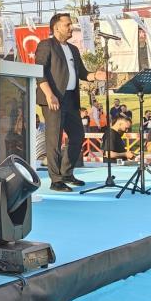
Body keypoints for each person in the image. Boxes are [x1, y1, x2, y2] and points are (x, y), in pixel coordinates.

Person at [34, 13, 107, 192]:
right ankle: (56, 180)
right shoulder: (46, 45)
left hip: (71, 99)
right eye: (67, 25)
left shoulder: (73, 49)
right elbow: (39, 71)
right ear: (56, 27)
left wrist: (95, 75)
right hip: (53, 98)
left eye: (71, 24)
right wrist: (49, 94)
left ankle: (66, 173)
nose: (71, 28)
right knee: (54, 139)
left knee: (77, 135)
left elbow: (83, 73)